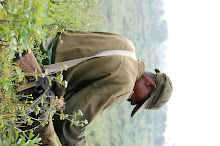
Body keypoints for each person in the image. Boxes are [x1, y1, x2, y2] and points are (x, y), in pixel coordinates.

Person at [38, 31, 173, 146]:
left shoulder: (127, 45)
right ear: (150, 85)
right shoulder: (126, 83)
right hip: (37, 72)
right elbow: (69, 120)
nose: (132, 102)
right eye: (140, 101)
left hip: (38, 42)